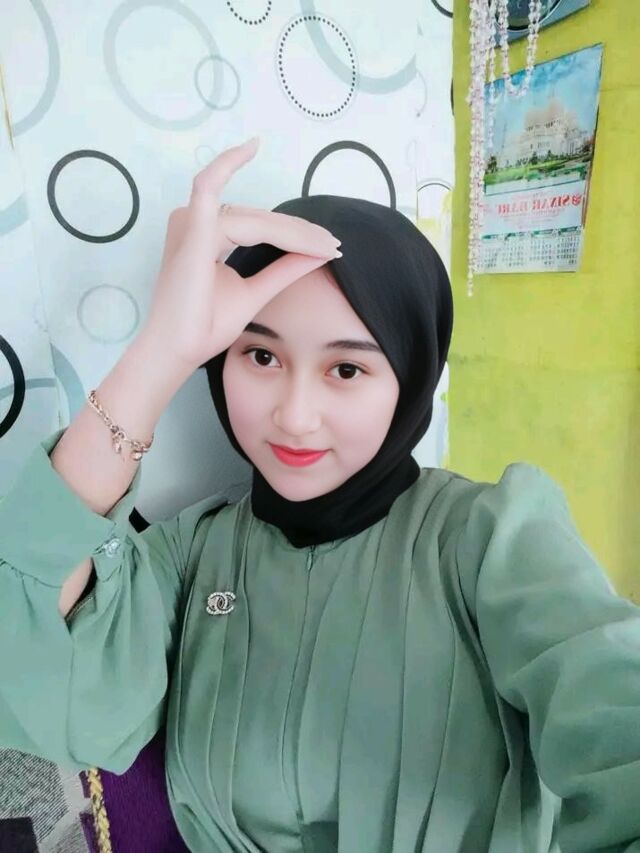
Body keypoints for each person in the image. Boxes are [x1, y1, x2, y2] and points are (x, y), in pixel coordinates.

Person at [0, 137, 639, 853]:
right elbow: (42, 684)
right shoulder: (191, 554)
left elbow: (612, 703)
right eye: (260, 355)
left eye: (347, 369)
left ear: (412, 376)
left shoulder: (489, 538)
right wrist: (162, 352)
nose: (295, 416)